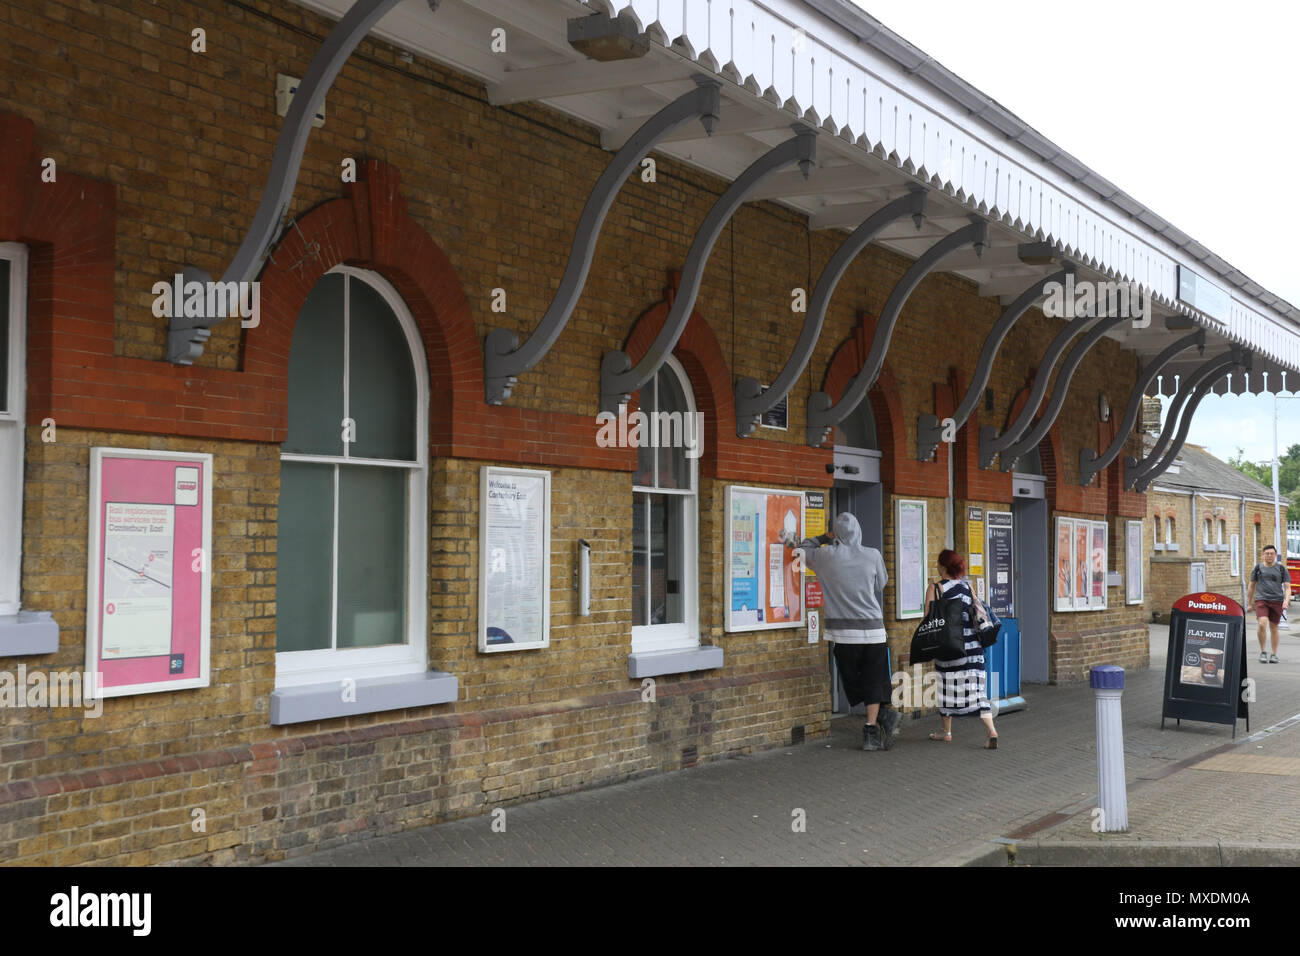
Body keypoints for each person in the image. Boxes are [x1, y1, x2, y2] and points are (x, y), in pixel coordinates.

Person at [783, 512, 899, 751]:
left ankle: (873, 726)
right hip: (873, 630)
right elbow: (881, 584)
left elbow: (803, 547)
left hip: (842, 634)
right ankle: (877, 723)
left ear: (836, 533)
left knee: (852, 681)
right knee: (873, 682)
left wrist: (826, 537)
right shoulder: (873, 555)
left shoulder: (825, 556)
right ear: (859, 531)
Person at [926, 549, 998, 748]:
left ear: (942, 566)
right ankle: (991, 730)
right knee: (977, 692)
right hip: (973, 649)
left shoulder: (936, 588)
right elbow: (980, 611)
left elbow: (929, 620)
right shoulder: (967, 587)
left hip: (949, 648)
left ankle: (946, 731)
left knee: (946, 687)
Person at [1247, 544, 1290, 663]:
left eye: (1272, 554)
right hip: (1262, 600)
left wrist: (1286, 601)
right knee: (1262, 624)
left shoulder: (1282, 569)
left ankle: (1274, 654)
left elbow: (1287, 587)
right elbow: (1251, 586)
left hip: (1277, 601)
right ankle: (1263, 651)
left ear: (1275, 555)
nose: (1269, 556)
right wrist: (1249, 603)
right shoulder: (1258, 568)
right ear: (1263, 555)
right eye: (1267, 553)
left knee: (1274, 628)